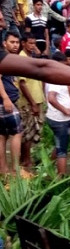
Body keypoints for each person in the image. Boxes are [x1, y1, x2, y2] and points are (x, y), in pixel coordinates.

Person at [17, 33, 44, 168]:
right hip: (29, 101)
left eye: (34, 43)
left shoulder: (30, 57)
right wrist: (33, 103)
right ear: (24, 43)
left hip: (36, 98)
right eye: (31, 43)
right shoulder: (22, 59)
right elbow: (22, 84)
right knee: (29, 131)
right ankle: (26, 161)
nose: (33, 46)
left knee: (32, 131)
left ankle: (24, 159)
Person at [0, 32, 23, 173]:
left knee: (2, 136)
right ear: (4, 43)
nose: (15, 45)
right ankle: (15, 170)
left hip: (5, 101)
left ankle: (3, 170)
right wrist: (6, 98)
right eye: (12, 42)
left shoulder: (8, 59)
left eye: (17, 42)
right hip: (5, 102)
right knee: (17, 133)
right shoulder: (3, 58)